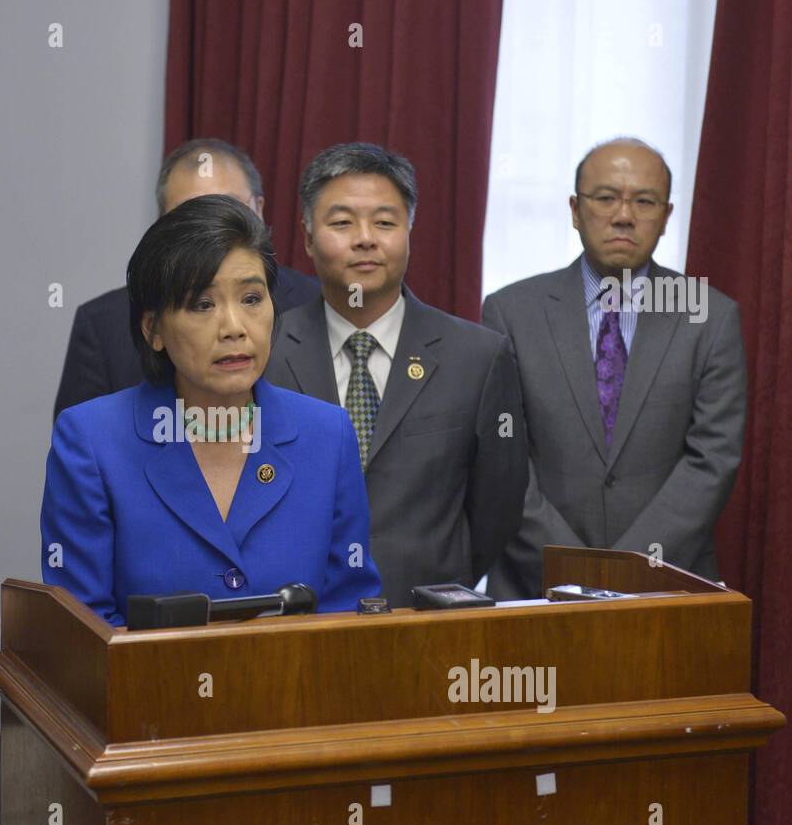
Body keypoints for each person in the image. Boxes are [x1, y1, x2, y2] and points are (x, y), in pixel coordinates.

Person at [42, 195, 380, 625]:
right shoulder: (91, 439)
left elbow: (348, 608)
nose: (234, 327)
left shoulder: (327, 433)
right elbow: (83, 626)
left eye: (252, 299)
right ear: (154, 329)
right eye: (203, 304)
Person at [266, 142, 527, 608]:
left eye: (384, 222)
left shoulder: (478, 356)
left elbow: (498, 509)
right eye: (342, 222)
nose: (365, 238)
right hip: (294, 616)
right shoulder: (264, 350)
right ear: (307, 238)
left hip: (427, 615)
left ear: (409, 230)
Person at [482, 137, 746, 598]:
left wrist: (630, 567)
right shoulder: (510, 312)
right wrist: (574, 569)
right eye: (605, 198)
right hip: (535, 583)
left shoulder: (709, 315)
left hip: (668, 585)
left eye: (644, 201)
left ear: (665, 216)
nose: (623, 215)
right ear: (575, 209)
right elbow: (504, 461)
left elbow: (713, 459)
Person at [53, 137, 320, 418]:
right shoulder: (102, 324)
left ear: (259, 210)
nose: (213, 232)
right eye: (202, 304)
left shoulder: (313, 302)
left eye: (229, 209)